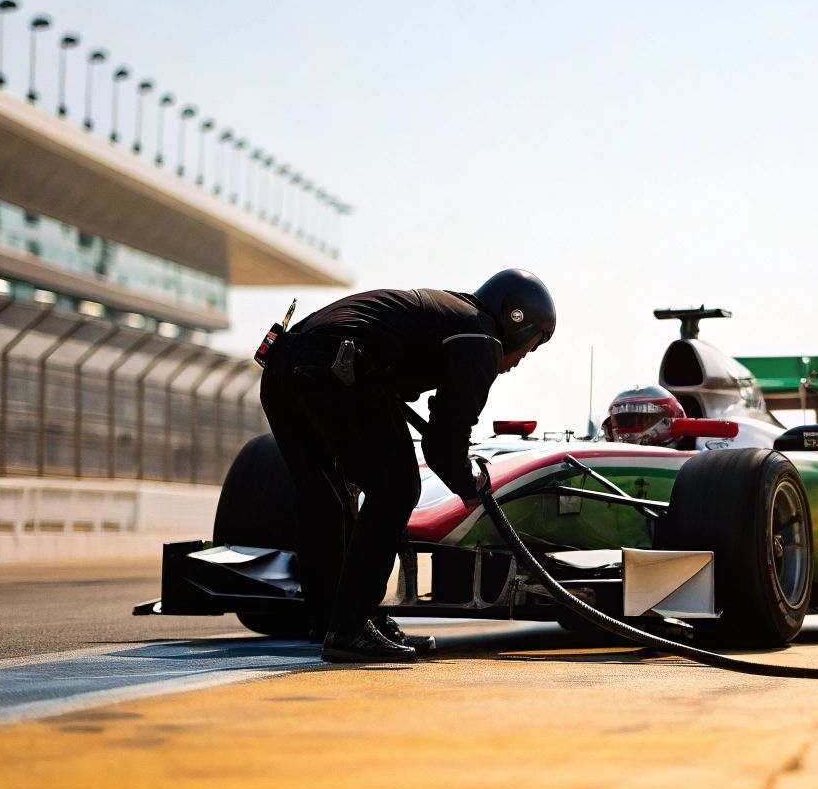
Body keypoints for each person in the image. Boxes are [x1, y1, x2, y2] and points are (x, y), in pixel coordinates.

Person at [260, 269, 556, 664]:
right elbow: (444, 445)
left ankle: (336, 620)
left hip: (283, 364)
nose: (519, 362)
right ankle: (351, 626)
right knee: (397, 485)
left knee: (325, 496)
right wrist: (472, 484)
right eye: (529, 349)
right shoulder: (481, 336)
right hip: (336, 366)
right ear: (517, 323)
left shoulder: (449, 316)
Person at [602, 385, 687, 448]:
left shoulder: (691, 461)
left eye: (646, 418)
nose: (631, 426)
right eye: (624, 420)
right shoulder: (601, 460)